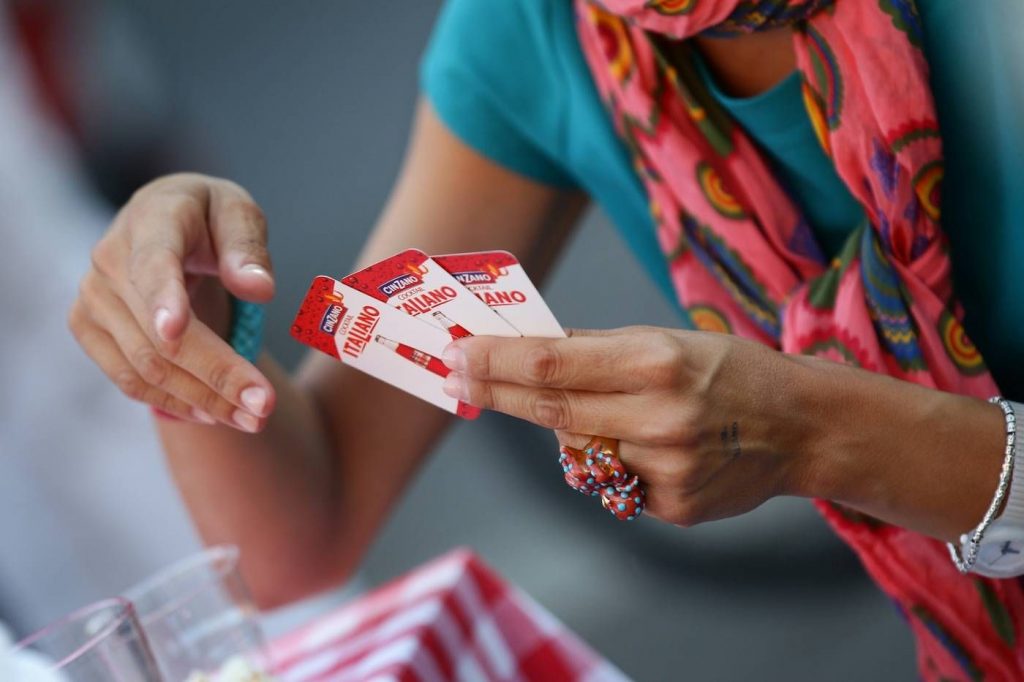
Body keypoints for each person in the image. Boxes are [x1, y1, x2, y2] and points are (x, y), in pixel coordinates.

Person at [68, 0, 1024, 678]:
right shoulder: (544, 25)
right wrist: (183, 320)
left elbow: (814, 430)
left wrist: (820, 434)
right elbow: (301, 528)